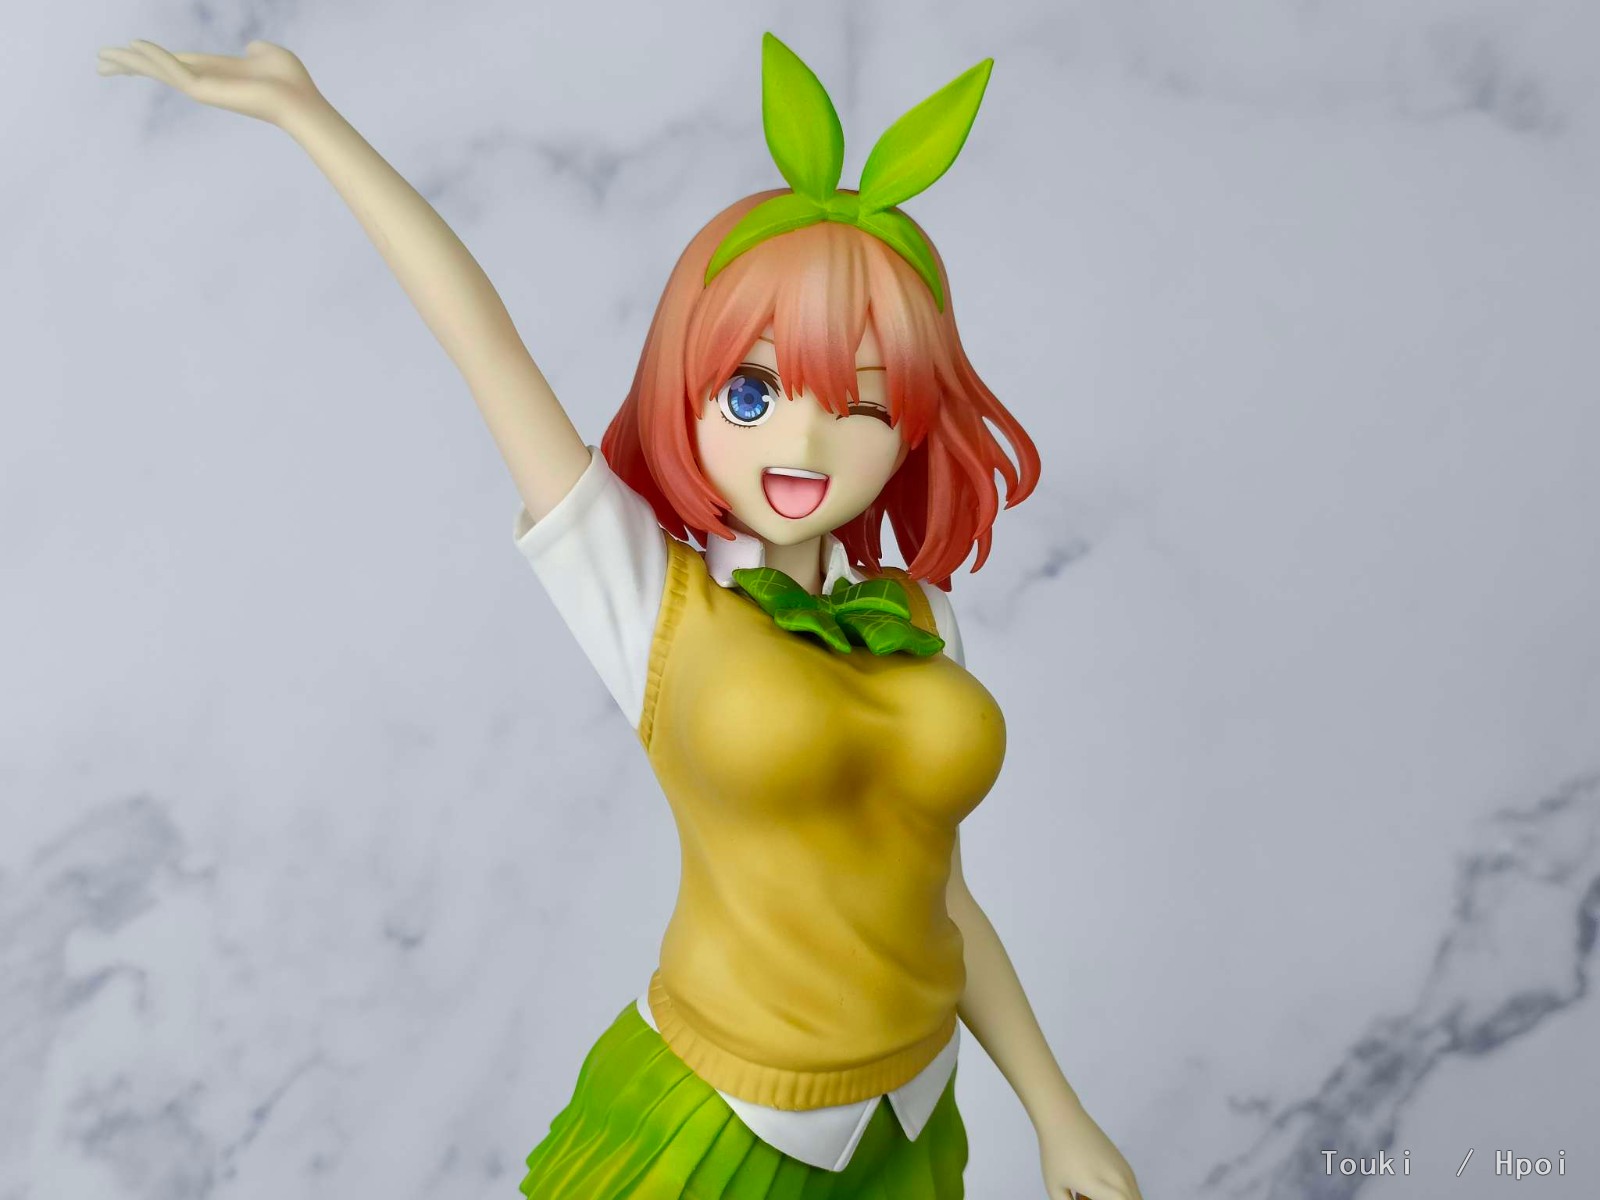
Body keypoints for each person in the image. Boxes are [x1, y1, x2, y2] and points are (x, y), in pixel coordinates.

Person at [97, 29, 1144, 1200]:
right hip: (724, 1120)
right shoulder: (653, 597)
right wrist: (310, 117)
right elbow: (484, 345)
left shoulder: (922, 619)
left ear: (910, 426)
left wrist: (1057, 1113)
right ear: (684, 391)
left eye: (860, 404)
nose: (800, 442)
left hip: (909, 1122)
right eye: (751, 392)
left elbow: (937, 896)